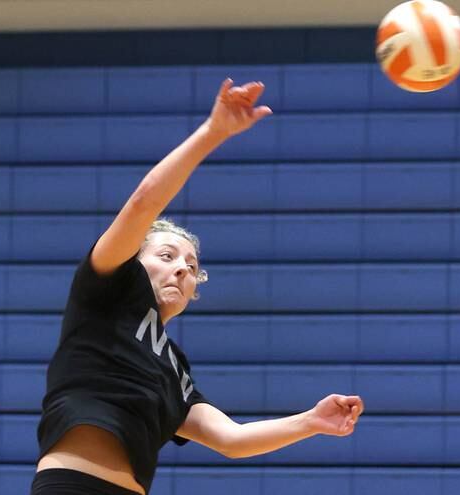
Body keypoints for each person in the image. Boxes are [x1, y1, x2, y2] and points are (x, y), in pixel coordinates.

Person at [31, 79, 364, 495]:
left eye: (191, 266)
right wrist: (214, 133)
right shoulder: (106, 288)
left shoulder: (173, 367)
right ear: (135, 257)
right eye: (167, 256)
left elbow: (231, 440)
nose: (182, 270)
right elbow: (143, 202)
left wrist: (311, 422)